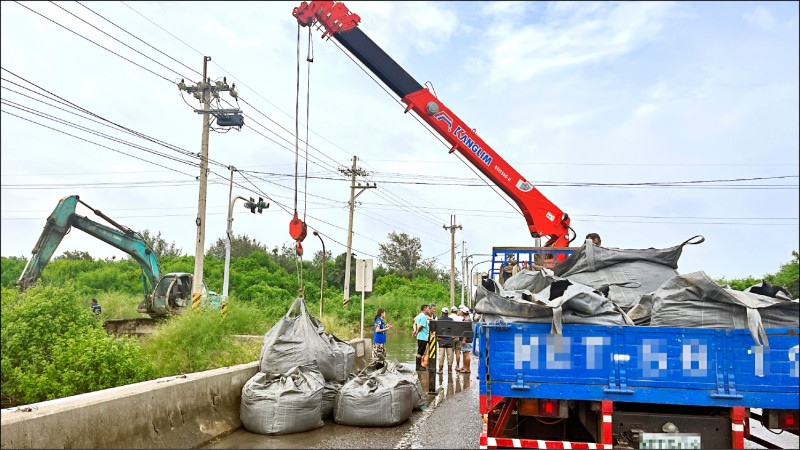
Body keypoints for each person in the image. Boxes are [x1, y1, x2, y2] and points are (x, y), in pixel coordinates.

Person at [436, 307, 454, 374]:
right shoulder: (451, 320)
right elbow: (454, 328)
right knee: (450, 355)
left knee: (441, 356)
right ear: (447, 313)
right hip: (449, 339)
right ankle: (450, 370)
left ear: (442, 313)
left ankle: (440, 370)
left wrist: (437, 337)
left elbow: (437, 329)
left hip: (441, 339)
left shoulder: (439, 320)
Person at [412, 304, 431, 371]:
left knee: (420, 351)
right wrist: (417, 331)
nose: (429, 310)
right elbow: (421, 326)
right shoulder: (423, 317)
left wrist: (415, 330)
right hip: (423, 336)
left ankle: (419, 366)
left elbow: (415, 323)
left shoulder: (419, 315)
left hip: (420, 336)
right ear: (425, 309)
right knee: (420, 352)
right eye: (428, 308)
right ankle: (418, 367)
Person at [458, 306, 473, 373]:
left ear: (463, 313)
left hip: (467, 340)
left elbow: (466, 331)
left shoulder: (467, 320)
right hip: (465, 339)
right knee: (464, 353)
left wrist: (464, 340)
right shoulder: (466, 319)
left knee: (466, 354)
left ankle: (467, 368)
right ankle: (464, 366)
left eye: (461, 312)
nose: (460, 313)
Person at [449, 305, 462, 371]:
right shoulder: (460, 318)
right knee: (457, 351)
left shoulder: (449, 317)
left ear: (451, 311)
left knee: (451, 352)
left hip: (450, 337)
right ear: (456, 311)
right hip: (458, 337)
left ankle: (450, 367)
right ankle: (457, 366)